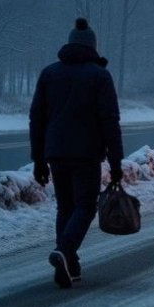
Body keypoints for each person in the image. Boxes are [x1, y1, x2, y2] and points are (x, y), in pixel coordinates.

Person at [29, 18, 124, 289]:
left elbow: (37, 119)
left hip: (56, 153)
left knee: (66, 207)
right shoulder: (99, 76)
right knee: (85, 206)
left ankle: (70, 264)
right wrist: (116, 162)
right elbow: (109, 121)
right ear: (93, 47)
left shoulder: (49, 74)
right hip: (86, 154)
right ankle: (66, 250)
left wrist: (38, 159)